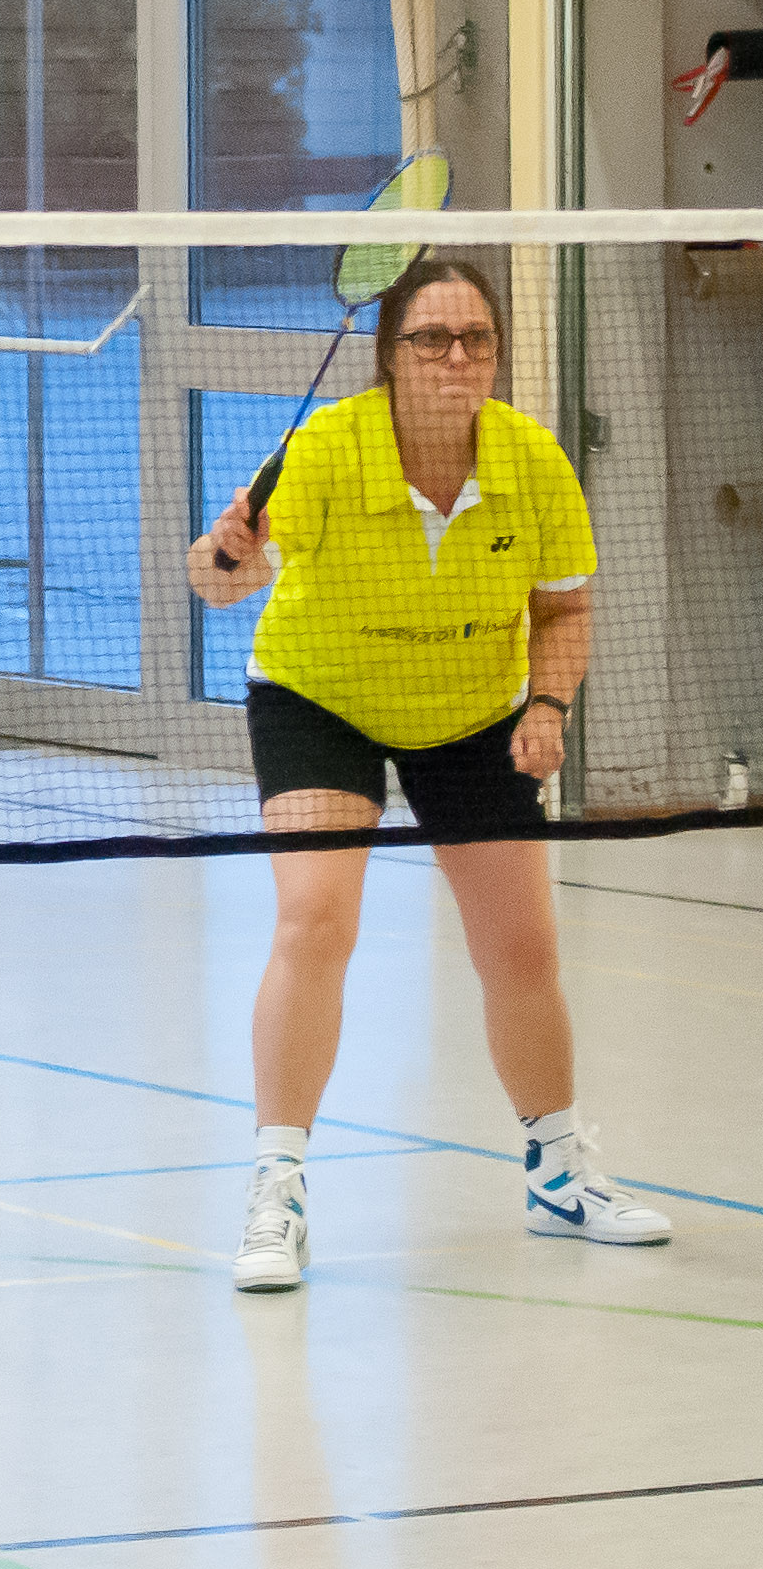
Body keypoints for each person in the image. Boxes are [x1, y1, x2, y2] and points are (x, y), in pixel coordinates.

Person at [188, 257, 668, 1290]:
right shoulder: (325, 447)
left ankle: (557, 1173)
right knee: (315, 920)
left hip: (472, 711)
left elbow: (564, 608)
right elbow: (220, 580)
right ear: (390, 355)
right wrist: (226, 550)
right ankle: (277, 1190)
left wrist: (548, 706)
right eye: (431, 339)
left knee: (522, 945)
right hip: (321, 700)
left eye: (476, 339)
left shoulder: (532, 459)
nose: (457, 358)